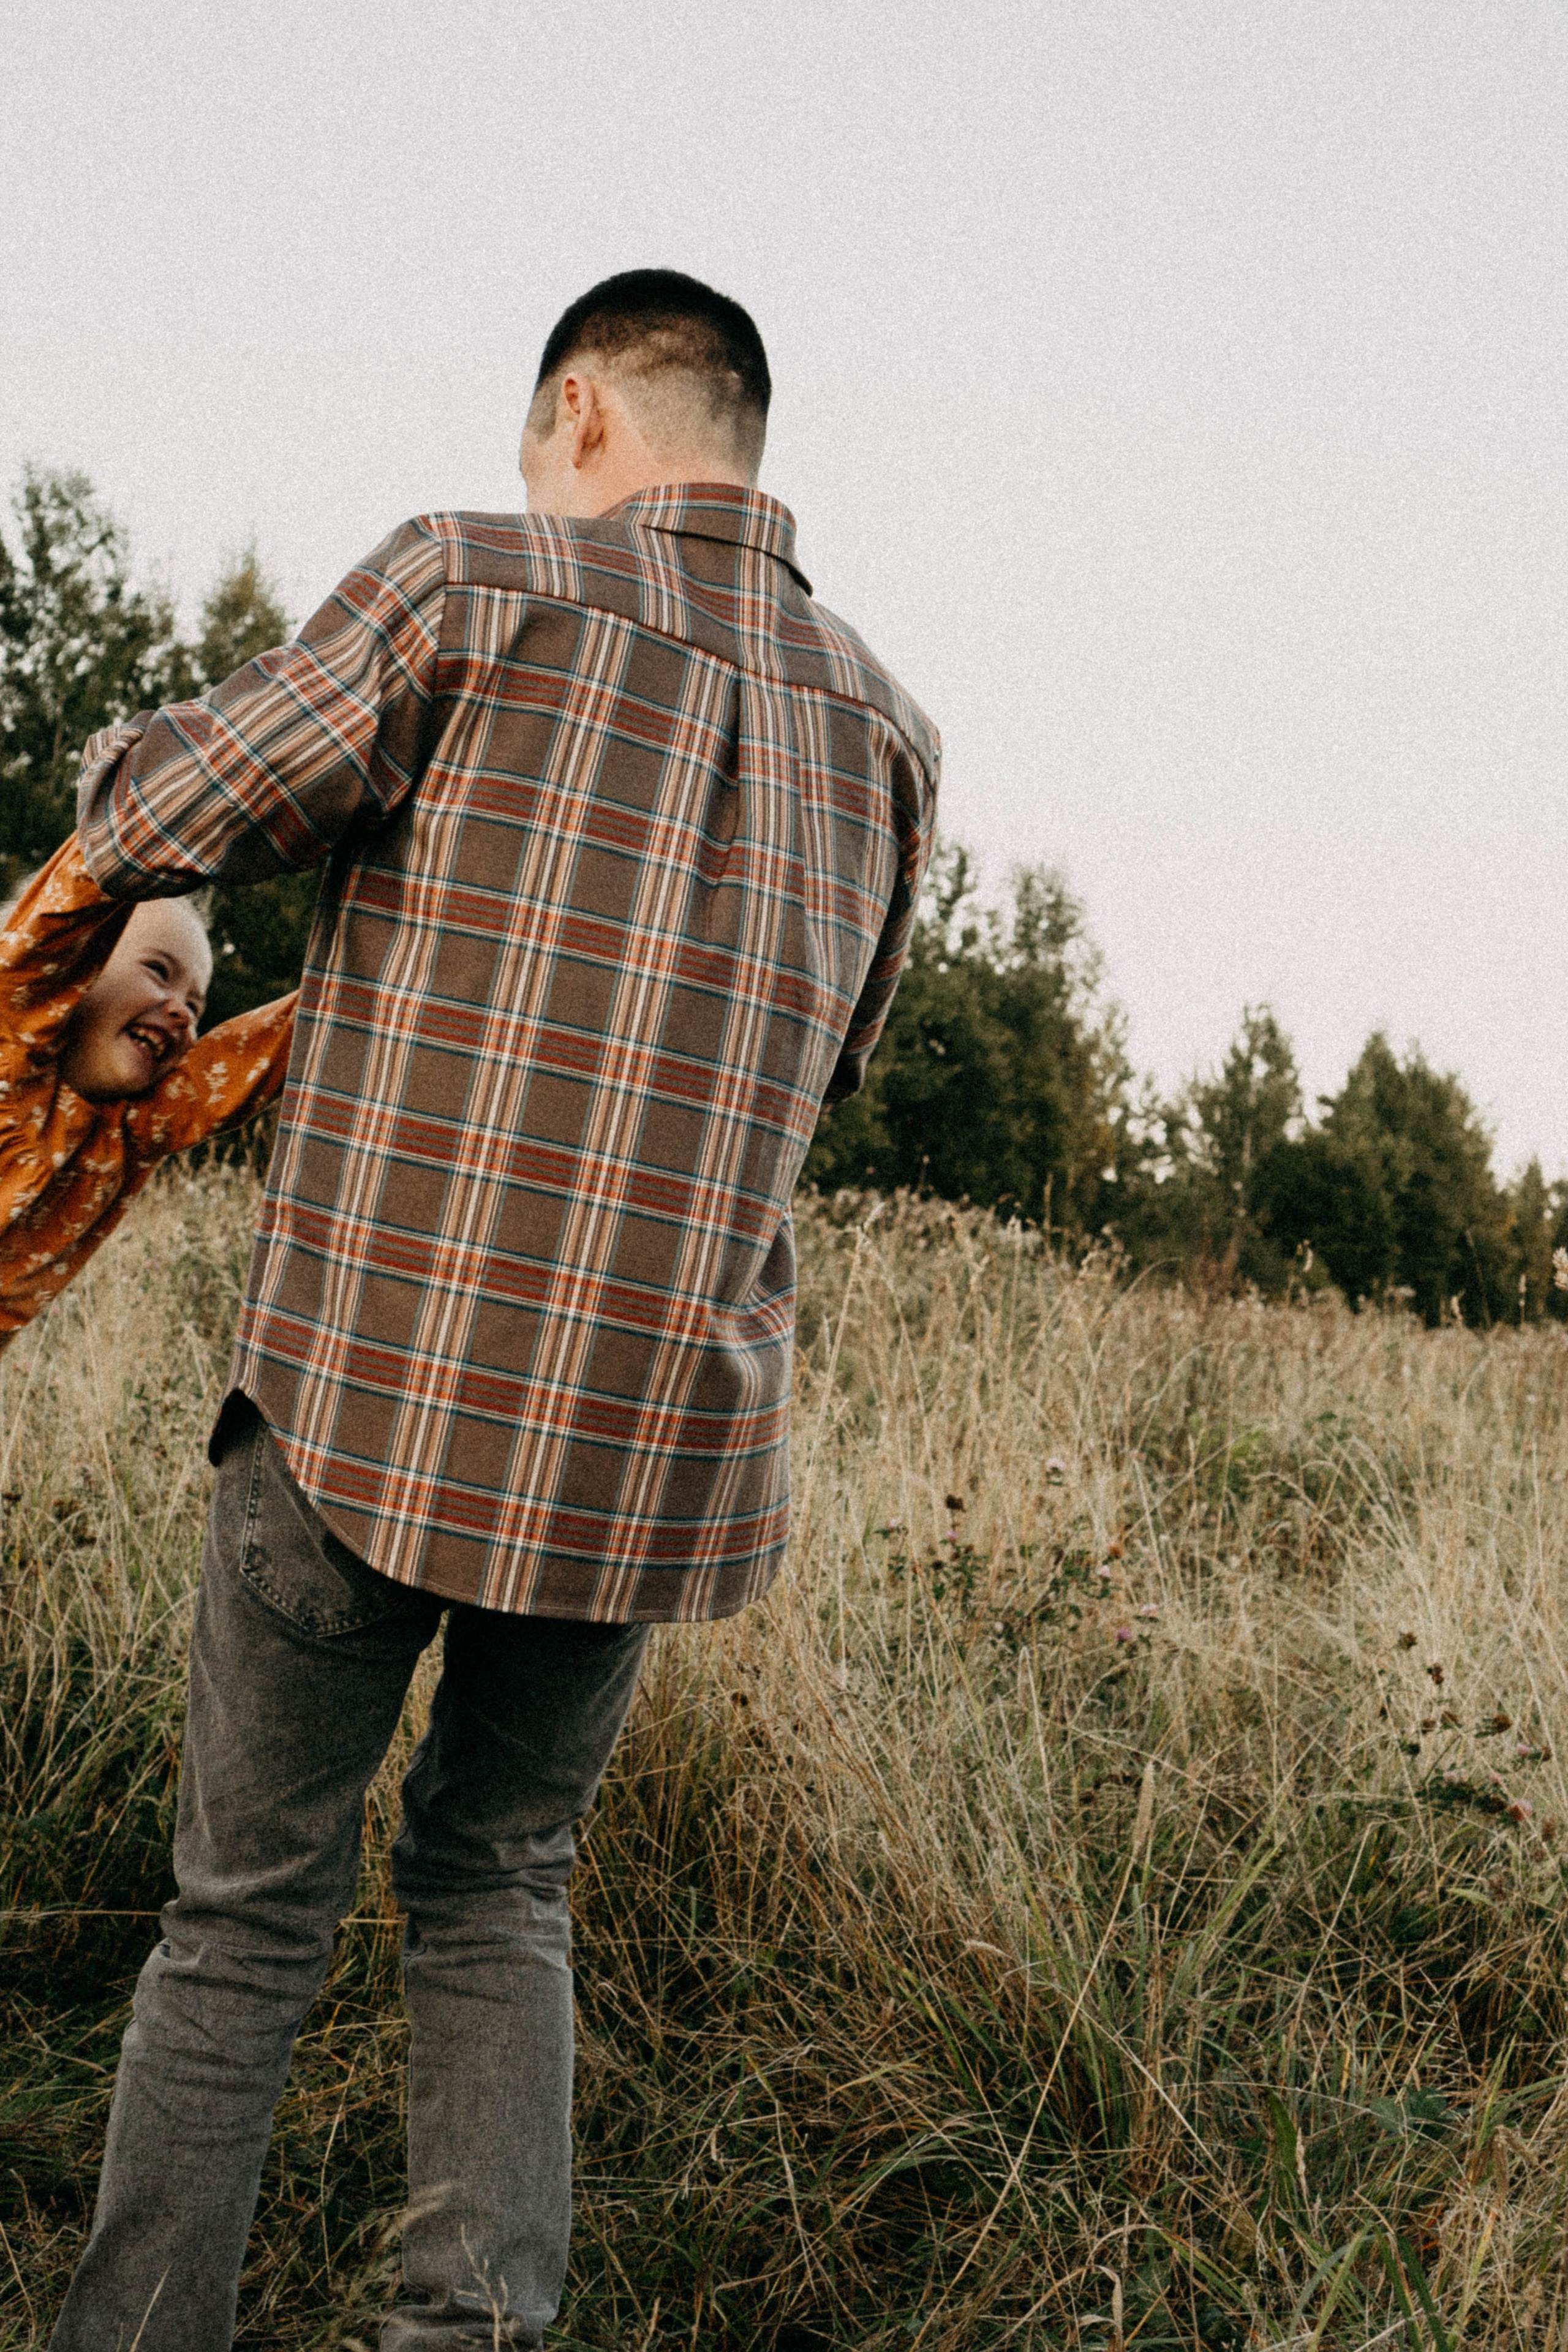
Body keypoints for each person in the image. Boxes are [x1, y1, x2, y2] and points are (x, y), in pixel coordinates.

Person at [48, 269, 939, 2352]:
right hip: (647, 1454)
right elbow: (836, 1068)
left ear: (582, 413)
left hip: (376, 1385)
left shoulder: (475, 577)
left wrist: (141, 827)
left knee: (246, 1921)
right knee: (499, 1889)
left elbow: (151, 811)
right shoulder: (891, 735)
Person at [0, 835, 295, 1343]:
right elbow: (60, 917)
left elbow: (268, 1049)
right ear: (78, 966)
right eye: (158, 971)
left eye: (196, 1007)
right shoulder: (10, 1041)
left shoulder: (132, 1129)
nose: (181, 1011)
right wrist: (148, 829)